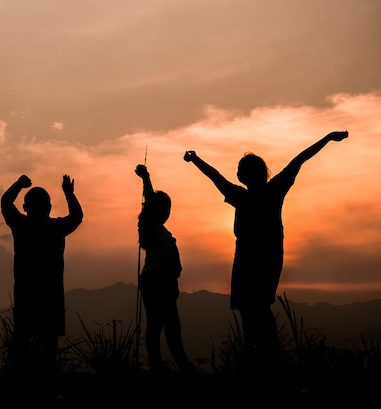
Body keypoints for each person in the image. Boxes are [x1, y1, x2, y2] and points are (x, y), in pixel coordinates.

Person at [183, 130, 349, 368]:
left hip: (257, 259)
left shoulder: (257, 193)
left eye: (242, 169)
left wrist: (196, 159)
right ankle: (263, 356)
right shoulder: (268, 190)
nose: (239, 173)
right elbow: (299, 159)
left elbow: (216, 177)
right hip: (258, 258)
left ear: (247, 174)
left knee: (254, 309)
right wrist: (327, 138)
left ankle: (266, 357)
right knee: (253, 308)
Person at [1, 174, 83, 374]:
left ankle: (18, 379)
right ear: (49, 208)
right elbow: (77, 216)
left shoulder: (21, 226)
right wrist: (69, 194)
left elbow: (5, 202)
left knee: (22, 339)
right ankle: (49, 380)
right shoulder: (56, 228)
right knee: (49, 343)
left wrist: (19, 184)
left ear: (25, 208)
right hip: (51, 293)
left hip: (25, 292)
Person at [134, 164, 193, 374]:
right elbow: (149, 201)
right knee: (166, 324)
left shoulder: (162, 231)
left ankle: (163, 364)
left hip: (163, 281)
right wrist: (146, 178)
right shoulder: (151, 225)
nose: (167, 213)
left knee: (163, 323)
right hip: (156, 279)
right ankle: (173, 365)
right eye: (166, 209)